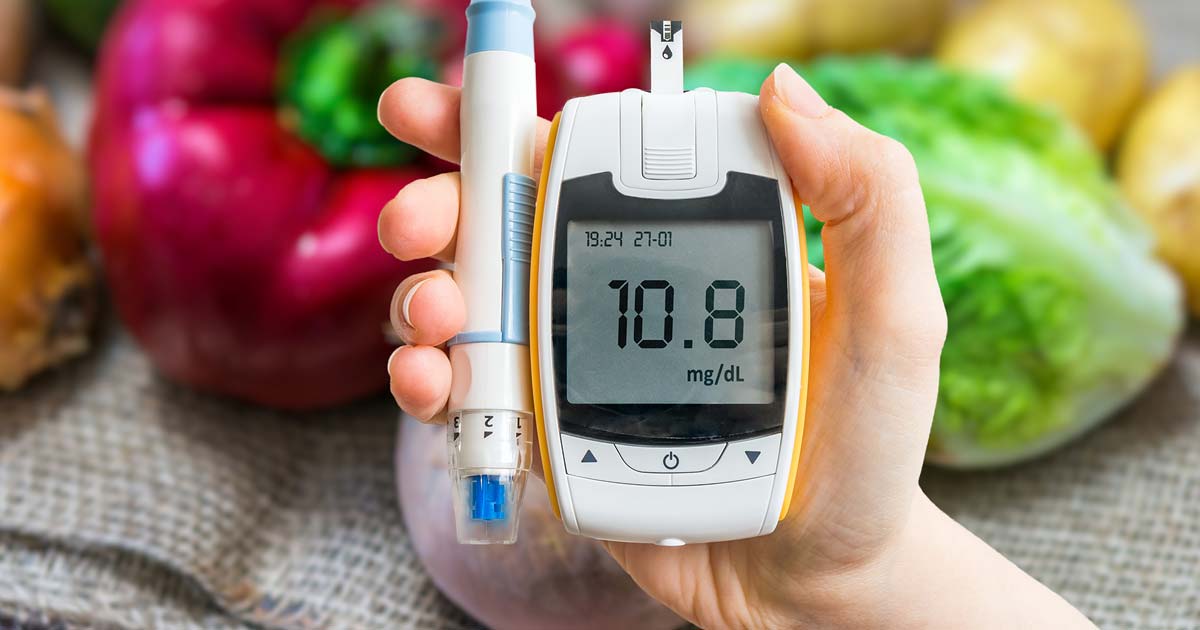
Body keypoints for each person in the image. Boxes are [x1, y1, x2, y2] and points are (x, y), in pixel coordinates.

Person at [376, 63, 1096, 629]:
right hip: (650, 467)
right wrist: (857, 581)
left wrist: (860, 574)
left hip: (724, 486)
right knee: (443, 285)